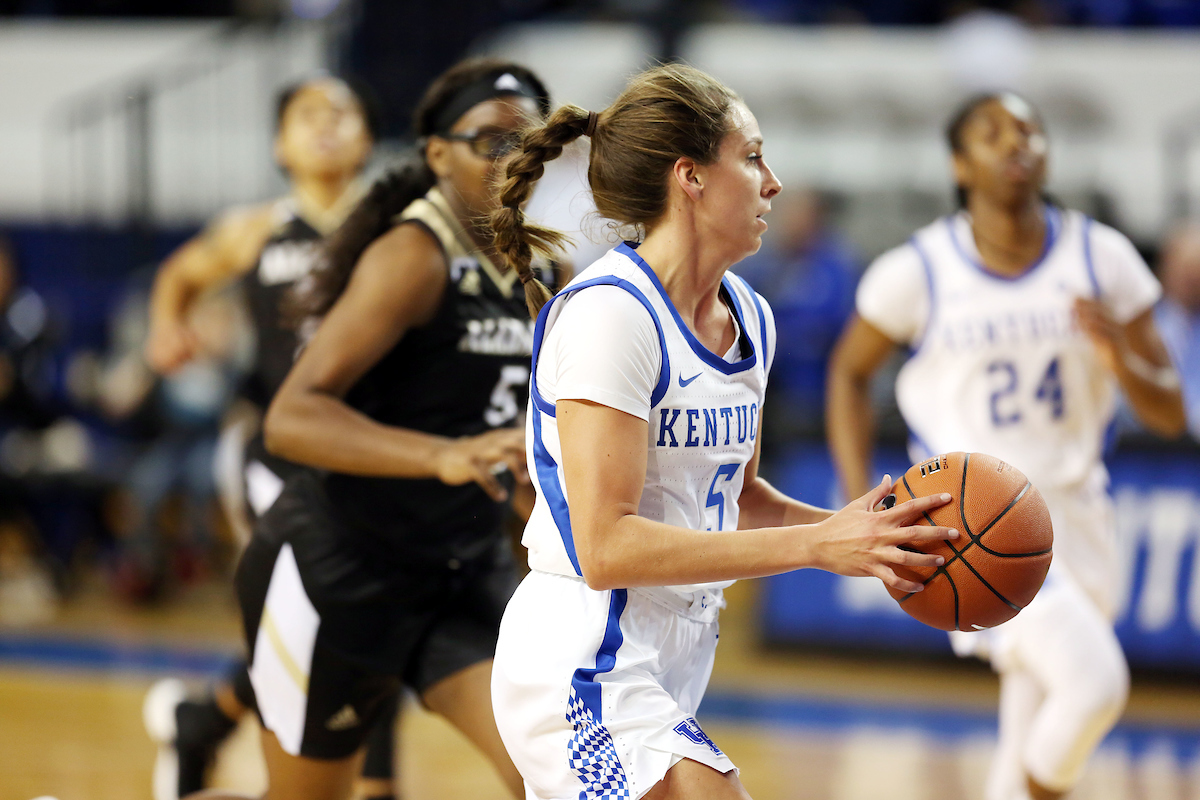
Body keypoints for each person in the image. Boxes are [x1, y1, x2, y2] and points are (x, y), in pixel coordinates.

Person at [487, 63, 957, 800]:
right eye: (752, 156)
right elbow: (607, 547)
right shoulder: (613, 317)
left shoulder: (752, 319)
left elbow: (733, 498)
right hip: (582, 652)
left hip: (672, 653)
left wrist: (865, 539)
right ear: (691, 178)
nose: (773, 182)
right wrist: (817, 545)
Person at [194, 58, 558, 800]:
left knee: (552, 773)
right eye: (490, 141)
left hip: (460, 570)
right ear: (436, 153)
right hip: (341, 570)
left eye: (530, 144)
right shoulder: (412, 257)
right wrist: (443, 455)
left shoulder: (542, 268)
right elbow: (292, 418)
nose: (513, 160)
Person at [826, 92, 1185, 800]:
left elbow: (1170, 412)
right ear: (961, 164)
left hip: (1080, 515)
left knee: (1030, 719)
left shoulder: (1101, 256)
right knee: (1094, 687)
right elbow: (848, 372)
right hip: (976, 522)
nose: (1017, 142)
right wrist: (855, 494)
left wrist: (1121, 359)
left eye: (1029, 129)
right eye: (994, 133)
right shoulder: (918, 270)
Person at [137, 76, 405, 800]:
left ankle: (206, 722)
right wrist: (169, 325)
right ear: (278, 144)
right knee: (332, 612)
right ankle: (369, 782)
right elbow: (180, 274)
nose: (325, 125)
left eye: (342, 113)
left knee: (355, 619)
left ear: (368, 139)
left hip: (373, 450)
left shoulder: (397, 225)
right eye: (306, 115)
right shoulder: (255, 228)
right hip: (276, 455)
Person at [1155, 221, 1200, 440]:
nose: (1191, 279)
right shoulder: (1140, 324)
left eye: (1197, 269)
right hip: (1144, 453)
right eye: (1184, 267)